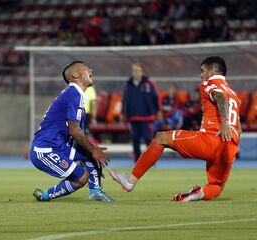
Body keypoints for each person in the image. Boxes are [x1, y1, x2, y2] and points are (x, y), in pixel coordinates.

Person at [110, 56, 241, 202]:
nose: (201, 75)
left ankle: (130, 180)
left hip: (211, 140)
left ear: (212, 72)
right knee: (217, 185)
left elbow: (220, 98)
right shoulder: (233, 94)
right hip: (230, 147)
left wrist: (223, 123)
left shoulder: (209, 83)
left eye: (202, 71)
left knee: (160, 138)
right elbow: (239, 129)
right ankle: (198, 193)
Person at [31, 61, 113, 202]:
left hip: (60, 145)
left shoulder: (76, 95)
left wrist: (91, 156)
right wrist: (93, 149)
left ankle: (95, 192)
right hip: (45, 149)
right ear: (75, 74)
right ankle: (45, 196)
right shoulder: (73, 94)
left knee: (90, 154)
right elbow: (74, 130)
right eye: (86, 67)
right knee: (82, 178)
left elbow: (76, 133)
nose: (91, 68)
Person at [122, 63, 160, 162]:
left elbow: (156, 97)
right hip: (133, 117)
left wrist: (158, 111)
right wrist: (124, 113)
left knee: (148, 138)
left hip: (147, 117)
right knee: (135, 139)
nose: (137, 73)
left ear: (142, 72)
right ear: (132, 72)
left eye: (138, 71)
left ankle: (150, 160)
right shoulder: (128, 85)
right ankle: (137, 160)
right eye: (135, 71)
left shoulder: (150, 84)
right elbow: (125, 99)